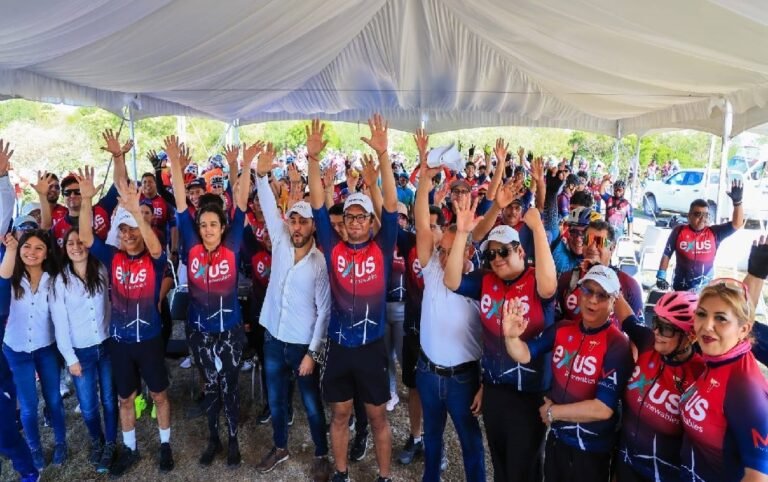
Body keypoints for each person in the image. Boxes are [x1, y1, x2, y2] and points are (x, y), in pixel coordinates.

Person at [307, 115, 398, 482]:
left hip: (373, 346)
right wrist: (313, 161)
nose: (357, 222)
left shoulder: (383, 245)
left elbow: (390, 205)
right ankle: (342, 473)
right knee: (340, 414)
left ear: (370, 222)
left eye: (363, 216)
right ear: (342, 222)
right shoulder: (332, 247)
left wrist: (384, 155)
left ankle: (384, 476)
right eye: (351, 217)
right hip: (341, 346)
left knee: (377, 416)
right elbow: (316, 206)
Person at [444, 194, 557, 482]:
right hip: (494, 390)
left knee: (525, 469)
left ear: (520, 251)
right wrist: (463, 234)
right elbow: (452, 280)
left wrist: (537, 229)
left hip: (529, 395)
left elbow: (549, 286)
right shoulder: (486, 280)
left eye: (503, 252)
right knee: (501, 465)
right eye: (491, 254)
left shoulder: (535, 280)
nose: (496, 259)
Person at [78, 167, 173, 477]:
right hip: (120, 341)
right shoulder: (112, 257)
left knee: (159, 395)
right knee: (125, 398)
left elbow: (156, 246)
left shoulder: (154, 258)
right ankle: (131, 449)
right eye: (124, 230)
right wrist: (88, 202)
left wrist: (136, 212)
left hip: (149, 339)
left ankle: (165, 444)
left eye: (134, 229)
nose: (129, 235)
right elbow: (86, 237)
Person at [502, 265, 633, 482]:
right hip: (558, 439)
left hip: (591, 449)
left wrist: (553, 413)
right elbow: (524, 354)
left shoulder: (617, 344)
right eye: (588, 291)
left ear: (613, 303)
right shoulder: (563, 328)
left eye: (602, 295)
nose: (592, 300)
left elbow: (603, 409)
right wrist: (511, 338)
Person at [167, 136, 252, 468]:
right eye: (202, 225)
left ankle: (232, 439)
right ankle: (213, 437)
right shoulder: (190, 243)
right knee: (210, 385)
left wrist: (241, 166)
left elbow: (242, 203)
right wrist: (175, 164)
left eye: (212, 225)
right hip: (199, 331)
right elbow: (177, 201)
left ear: (222, 227)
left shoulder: (232, 244)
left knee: (229, 386)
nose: (207, 230)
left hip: (229, 330)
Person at [249, 143, 333, 479]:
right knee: (277, 398)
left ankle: (322, 453)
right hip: (272, 338)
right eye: (293, 220)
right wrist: (261, 174)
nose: (296, 227)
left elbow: (325, 312)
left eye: (303, 222)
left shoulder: (320, 264)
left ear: (314, 227)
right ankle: (280, 446)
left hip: (301, 346)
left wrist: (313, 354)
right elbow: (269, 206)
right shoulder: (281, 242)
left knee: (312, 405)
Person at [413, 129, 485, 482]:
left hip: (463, 379)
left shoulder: (481, 283)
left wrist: (484, 384)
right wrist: (426, 180)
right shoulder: (430, 271)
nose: (444, 255)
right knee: (432, 440)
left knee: (471, 444)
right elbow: (421, 222)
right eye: (443, 249)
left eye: (452, 249)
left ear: (468, 250)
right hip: (428, 373)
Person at [678, 239, 768, 482]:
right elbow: (739, 311)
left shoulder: (745, 388)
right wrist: (756, 274)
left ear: (743, 330)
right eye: (701, 314)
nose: (707, 326)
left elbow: (758, 477)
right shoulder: (717, 357)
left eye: (720, 319)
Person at [613, 291, 705, 482]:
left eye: (666, 328)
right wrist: (606, 274)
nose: (656, 331)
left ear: (691, 336)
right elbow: (628, 318)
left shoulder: (700, 375)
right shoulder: (648, 342)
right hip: (625, 461)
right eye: (655, 322)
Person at [50, 227, 117, 474]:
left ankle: (110, 443)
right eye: (70, 244)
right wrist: (70, 358)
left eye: (80, 242)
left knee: (110, 400)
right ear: (65, 250)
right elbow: (60, 324)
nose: (77, 247)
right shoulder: (60, 282)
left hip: (106, 345)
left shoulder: (100, 270)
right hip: (81, 353)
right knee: (88, 405)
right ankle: (96, 440)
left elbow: (107, 307)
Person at [0, 230, 66, 470]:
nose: (32, 252)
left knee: (54, 400)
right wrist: (9, 249)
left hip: (46, 348)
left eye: (39, 248)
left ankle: (61, 443)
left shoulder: (55, 279)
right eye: (27, 246)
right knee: (28, 406)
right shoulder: (11, 277)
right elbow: (2, 274)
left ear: (47, 252)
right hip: (15, 350)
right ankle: (34, 448)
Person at [656, 183, 744, 292]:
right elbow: (666, 254)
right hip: (680, 288)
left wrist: (738, 203)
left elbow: (737, 224)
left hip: (704, 292)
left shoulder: (714, 232)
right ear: (689, 216)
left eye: (706, 215)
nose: (702, 218)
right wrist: (661, 276)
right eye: (698, 214)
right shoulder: (678, 231)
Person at [557, 220, 644, 325]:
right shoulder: (567, 278)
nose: (592, 247)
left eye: (599, 242)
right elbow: (555, 322)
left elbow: (639, 336)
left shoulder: (628, 285)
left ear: (612, 248)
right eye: (588, 240)